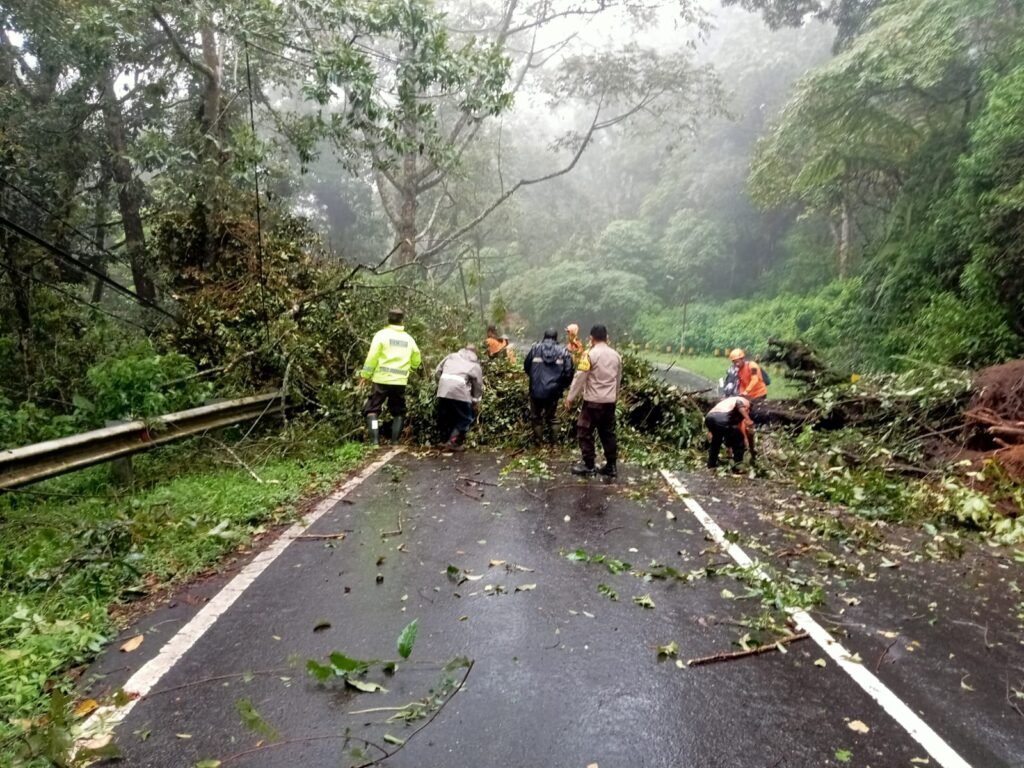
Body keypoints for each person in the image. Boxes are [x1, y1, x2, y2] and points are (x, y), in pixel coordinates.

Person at [564, 324, 622, 477]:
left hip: (593, 402)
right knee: (608, 433)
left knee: (584, 431)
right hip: (609, 402)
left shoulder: (589, 354)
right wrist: (614, 396)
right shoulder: (616, 356)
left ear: (591, 338)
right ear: (606, 338)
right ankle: (611, 466)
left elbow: (580, 377)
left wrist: (570, 397)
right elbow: (618, 379)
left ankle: (589, 465)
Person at [359, 308, 421, 446]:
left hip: (381, 379)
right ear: (402, 320)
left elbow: (372, 357)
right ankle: (395, 441)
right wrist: (410, 369)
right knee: (398, 412)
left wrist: (365, 375)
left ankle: (374, 441)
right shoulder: (409, 339)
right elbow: (417, 357)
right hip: (399, 381)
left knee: (372, 410)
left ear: (388, 319)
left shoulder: (381, 335)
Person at [524, 328, 574, 444]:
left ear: (544, 336)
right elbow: (569, 371)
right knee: (551, 417)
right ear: (556, 338)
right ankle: (554, 444)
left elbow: (526, 366)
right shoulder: (563, 351)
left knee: (536, 417)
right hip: (554, 391)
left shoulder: (535, 348)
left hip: (536, 390)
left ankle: (538, 443)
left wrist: (534, 380)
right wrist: (562, 386)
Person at [434, 343, 484, 452]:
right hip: (460, 391)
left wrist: (442, 384)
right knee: (466, 418)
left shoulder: (451, 356)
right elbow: (478, 385)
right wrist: (476, 400)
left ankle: (442, 440)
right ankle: (453, 442)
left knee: (446, 416)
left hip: (443, 389)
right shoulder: (475, 365)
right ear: (475, 353)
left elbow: (437, 370)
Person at [704, 396, 754, 469]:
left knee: (716, 441)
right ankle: (738, 465)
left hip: (709, 418)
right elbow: (739, 404)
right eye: (748, 410)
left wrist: (745, 439)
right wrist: (748, 419)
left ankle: (711, 464)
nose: (748, 412)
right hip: (722, 418)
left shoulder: (729, 404)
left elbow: (736, 428)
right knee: (739, 441)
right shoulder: (743, 401)